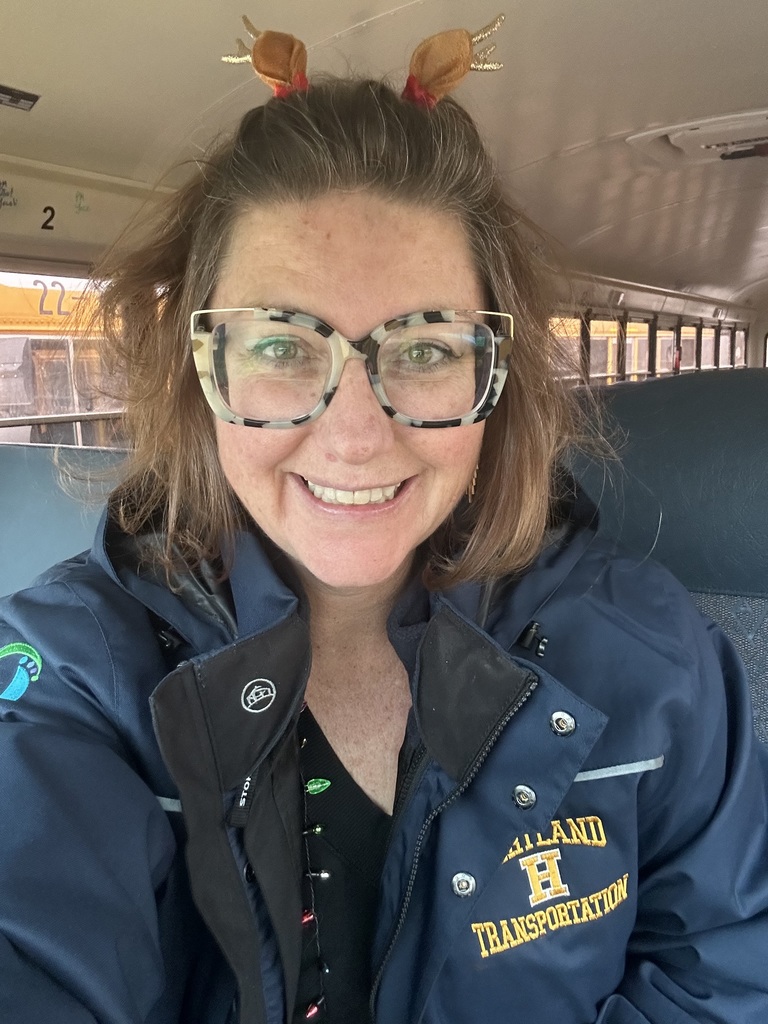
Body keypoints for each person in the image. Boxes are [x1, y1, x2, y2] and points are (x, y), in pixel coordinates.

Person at [1, 18, 767, 1024]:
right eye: (280, 348)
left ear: (496, 378)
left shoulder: (656, 658)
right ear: (200, 370)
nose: (355, 436)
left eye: (425, 348)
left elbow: (723, 977)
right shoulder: (72, 675)